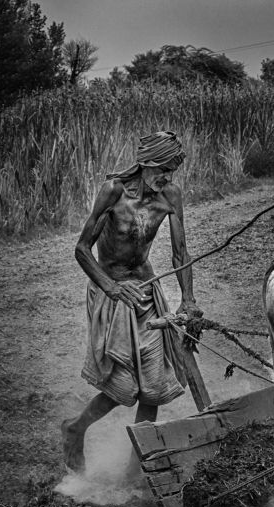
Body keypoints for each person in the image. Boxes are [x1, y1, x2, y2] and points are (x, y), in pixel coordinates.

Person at [63, 131, 203, 473]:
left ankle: (134, 471)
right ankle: (75, 428)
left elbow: (180, 252)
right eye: (164, 169)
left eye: (172, 171)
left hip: (146, 292)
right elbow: (82, 249)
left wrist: (189, 299)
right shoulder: (113, 192)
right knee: (121, 387)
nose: (168, 177)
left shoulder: (170, 195)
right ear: (146, 164)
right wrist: (112, 288)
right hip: (112, 293)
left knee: (153, 389)